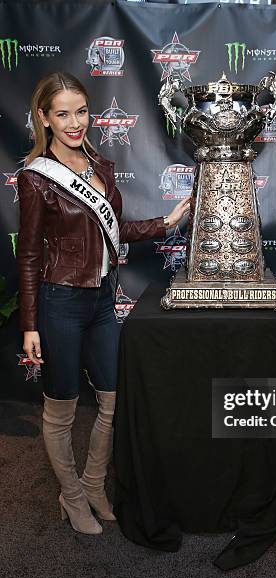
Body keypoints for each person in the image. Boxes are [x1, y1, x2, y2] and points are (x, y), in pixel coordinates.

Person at [16, 72, 190, 535]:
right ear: (45, 118)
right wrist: (29, 323)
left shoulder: (100, 164)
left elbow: (112, 231)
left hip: (102, 302)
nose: (75, 122)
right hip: (59, 302)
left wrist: (164, 222)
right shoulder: (37, 178)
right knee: (63, 407)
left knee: (112, 399)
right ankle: (70, 496)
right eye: (63, 113)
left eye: (82, 111)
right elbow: (29, 253)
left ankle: (94, 484)